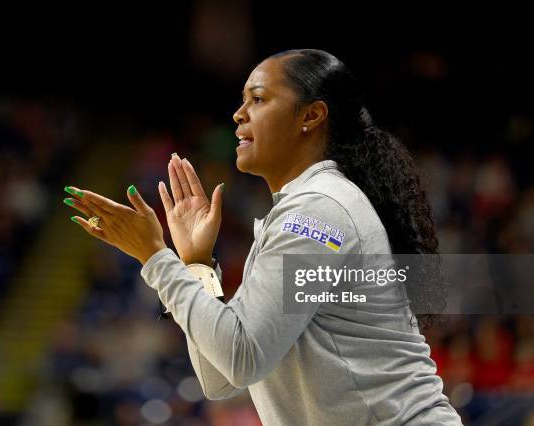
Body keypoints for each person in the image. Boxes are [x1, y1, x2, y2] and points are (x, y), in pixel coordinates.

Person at [63, 49, 463, 425]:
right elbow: (221, 378)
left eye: (257, 99)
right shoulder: (302, 208)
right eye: (242, 101)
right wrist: (197, 265)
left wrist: (154, 257)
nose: (238, 115)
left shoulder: (319, 209)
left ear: (311, 115)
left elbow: (240, 360)